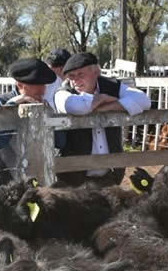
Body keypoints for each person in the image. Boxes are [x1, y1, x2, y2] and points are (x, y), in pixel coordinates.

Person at [53, 52, 150, 187]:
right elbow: (75, 106)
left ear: (96, 72)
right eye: (71, 76)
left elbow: (144, 100)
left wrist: (107, 107)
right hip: (73, 179)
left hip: (110, 176)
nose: (75, 81)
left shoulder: (110, 85)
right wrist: (102, 98)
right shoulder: (63, 92)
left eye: (81, 75)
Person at [0, 58, 58, 185]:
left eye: (44, 85)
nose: (43, 90)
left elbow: (59, 141)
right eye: (37, 85)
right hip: (6, 177)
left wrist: (49, 116)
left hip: (34, 174)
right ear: (20, 85)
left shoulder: (43, 104)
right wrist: (10, 107)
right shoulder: (0, 102)